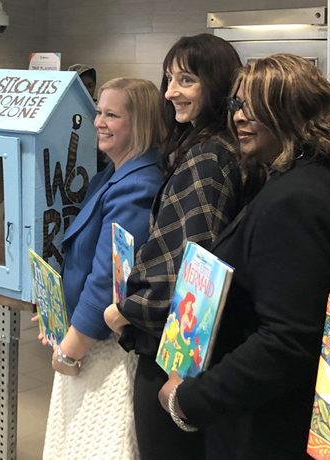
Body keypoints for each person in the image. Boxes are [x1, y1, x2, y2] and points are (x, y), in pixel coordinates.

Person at [158, 53, 330, 459]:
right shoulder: (318, 177)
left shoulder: (296, 199)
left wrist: (189, 400)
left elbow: (286, 341)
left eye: (253, 106)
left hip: (268, 426)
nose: (239, 118)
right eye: (236, 105)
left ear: (291, 111)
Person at [103, 33, 244, 460]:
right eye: (168, 79)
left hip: (175, 355)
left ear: (216, 84)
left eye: (185, 80)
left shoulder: (207, 158)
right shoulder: (213, 147)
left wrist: (126, 310)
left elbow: (188, 263)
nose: (170, 92)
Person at [41, 78, 163, 459]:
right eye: (98, 111)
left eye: (111, 114)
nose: (98, 122)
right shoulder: (111, 174)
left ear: (140, 123)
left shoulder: (138, 184)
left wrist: (72, 347)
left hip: (105, 347)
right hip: (87, 334)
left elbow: (111, 277)